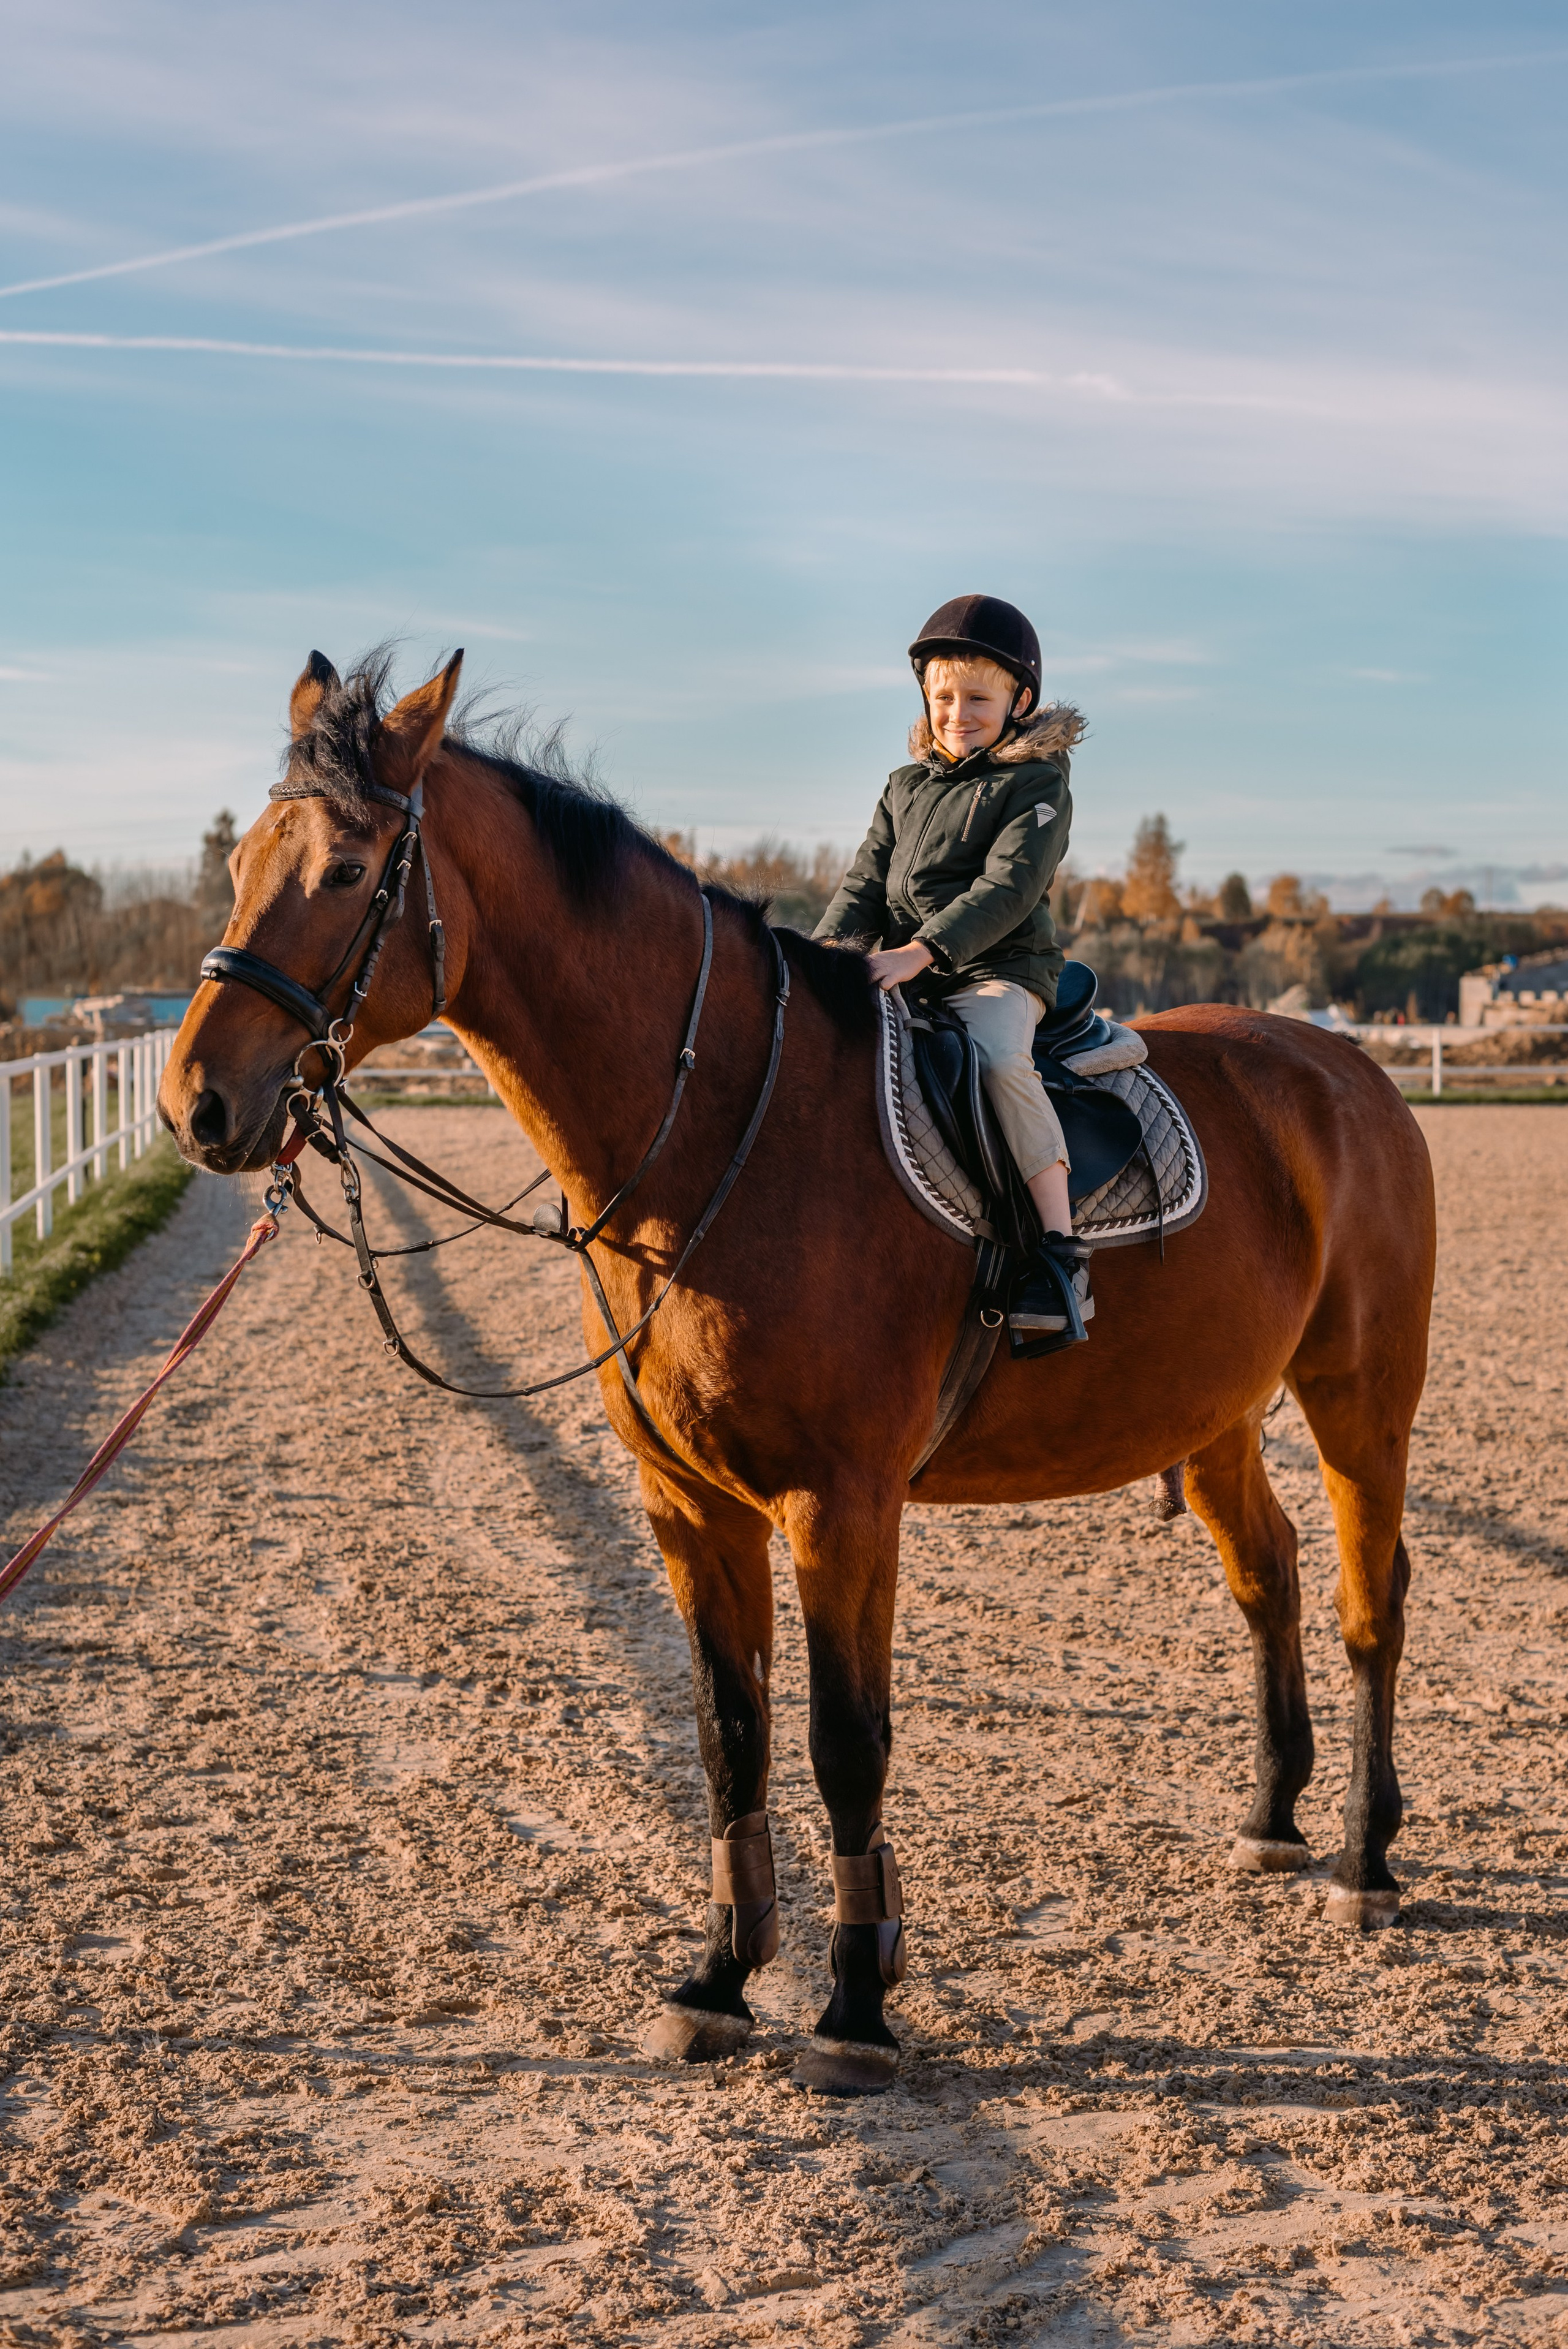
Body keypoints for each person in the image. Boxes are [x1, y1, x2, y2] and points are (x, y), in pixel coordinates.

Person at [815, 594, 1092, 1350]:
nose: (957, 714)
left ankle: (1061, 1254)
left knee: (998, 1061)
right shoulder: (903, 787)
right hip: (904, 968)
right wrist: (825, 958)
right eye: (943, 698)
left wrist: (920, 952)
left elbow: (1007, 888)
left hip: (999, 970)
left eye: (977, 698)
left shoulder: (1038, 784)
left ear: (1018, 702)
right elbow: (863, 883)